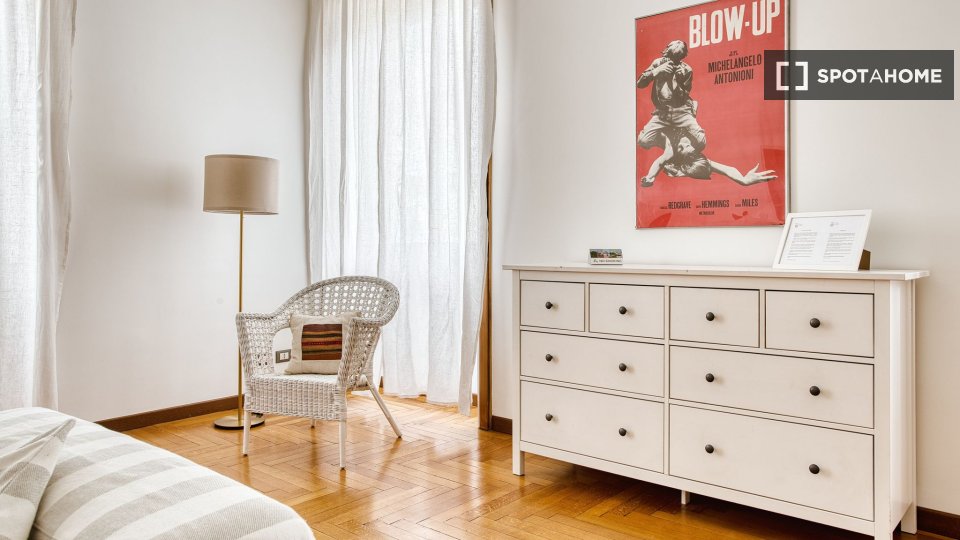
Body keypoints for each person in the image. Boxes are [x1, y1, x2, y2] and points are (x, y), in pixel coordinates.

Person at [637, 40, 706, 153]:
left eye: (676, 59)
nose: (671, 62)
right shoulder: (658, 63)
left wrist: (677, 81)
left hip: (681, 111)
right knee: (643, 141)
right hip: (662, 112)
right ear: (666, 53)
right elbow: (639, 84)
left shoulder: (687, 70)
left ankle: (682, 137)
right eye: (669, 58)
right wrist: (656, 71)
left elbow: (683, 97)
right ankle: (670, 142)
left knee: (701, 143)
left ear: (681, 58)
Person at [640, 131, 776, 187]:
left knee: (643, 140)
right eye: (688, 146)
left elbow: (659, 162)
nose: (686, 144)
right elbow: (727, 169)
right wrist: (743, 180)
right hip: (680, 114)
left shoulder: (671, 153)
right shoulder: (698, 156)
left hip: (665, 125)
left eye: (684, 146)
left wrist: (649, 177)